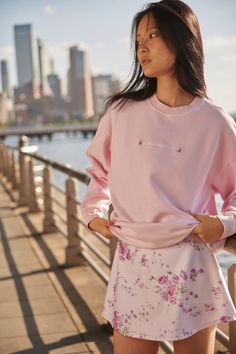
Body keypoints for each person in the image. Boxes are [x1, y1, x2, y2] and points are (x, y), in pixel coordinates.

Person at [81, 1, 236, 353]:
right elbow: (99, 172)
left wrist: (223, 225)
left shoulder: (214, 121)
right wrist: (93, 214)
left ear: (183, 40)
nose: (143, 48)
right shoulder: (121, 112)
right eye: (138, 40)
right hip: (134, 261)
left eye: (153, 35)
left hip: (190, 262)